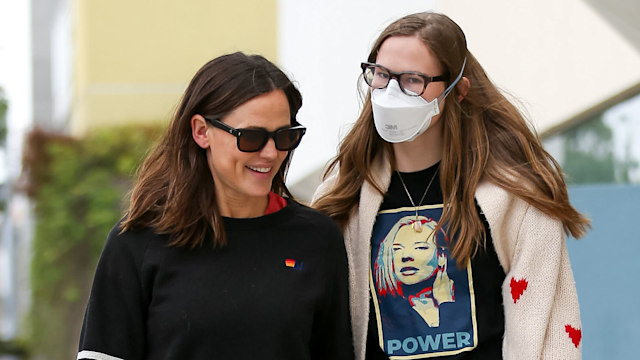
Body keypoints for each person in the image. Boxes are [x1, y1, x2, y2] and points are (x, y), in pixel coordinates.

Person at [312, 12, 588, 360]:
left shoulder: (516, 195)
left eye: (413, 80)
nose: (391, 92)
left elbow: (550, 328)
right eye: (381, 75)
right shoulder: (342, 195)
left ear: (458, 91)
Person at [77, 52, 354, 360]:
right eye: (252, 137)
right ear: (201, 131)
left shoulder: (317, 240)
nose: (271, 153)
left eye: (284, 136)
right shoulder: (137, 243)